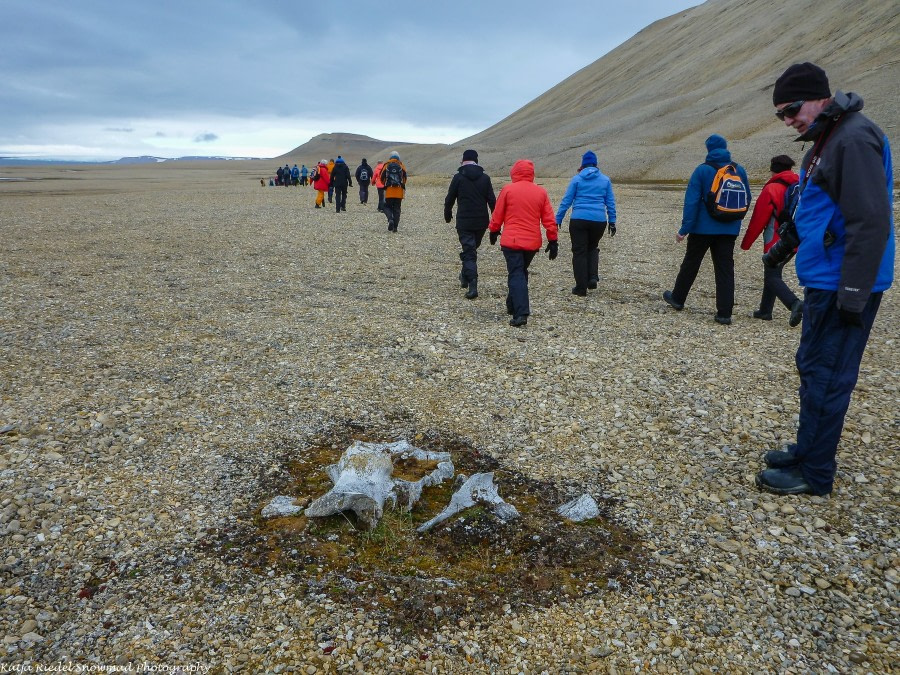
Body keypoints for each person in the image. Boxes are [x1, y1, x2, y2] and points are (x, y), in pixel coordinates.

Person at [755, 62, 894, 496]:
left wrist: (852, 293)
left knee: (828, 375)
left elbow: (870, 221)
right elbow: (815, 207)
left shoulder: (851, 139)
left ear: (821, 97)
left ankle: (815, 474)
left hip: (842, 283)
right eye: (781, 113)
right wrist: (786, 243)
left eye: (792, 108)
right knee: (814, 368)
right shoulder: (824, 141)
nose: (788, 119)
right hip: (825, 278)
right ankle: (806, 450)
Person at [662, 134, 751, 324]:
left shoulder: (702, 171)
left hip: (702, 229)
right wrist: (734, 222)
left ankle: (678, 299)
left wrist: (684, 229)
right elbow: (747, 199)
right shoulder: (738, 170)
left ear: (708, 149)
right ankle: (724, 313)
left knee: (691, 263)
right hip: (729, 229)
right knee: (725, 269)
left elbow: (692, 202)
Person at [488, 159, 558, 327]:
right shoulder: (540, 192)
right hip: (532, 243)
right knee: (520, 271)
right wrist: (553, 239)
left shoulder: (508, 190)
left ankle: (521, 313)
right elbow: (549, 218)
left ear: (514, 172)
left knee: (516, 273)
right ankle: (512, 304)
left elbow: (498, 213)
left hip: (511, 241)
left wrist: (493, 230)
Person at [740, 155, 803, 325]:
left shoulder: (772, 188)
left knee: (771, 274)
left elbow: (759, 219)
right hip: (797, 238)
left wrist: (746, 243)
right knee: (774, 271)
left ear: (773, 169)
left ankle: (794, 303)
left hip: (776, 238)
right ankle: (765, 310)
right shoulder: (800, 185)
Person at [555, 150, 617, 295]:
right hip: (599, 220)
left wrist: (558, 218)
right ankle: (592, 277)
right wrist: (612, 221)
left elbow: (567, 201)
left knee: (579, 252)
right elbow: (610, 202)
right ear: (596, 164)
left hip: (579, 219)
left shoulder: (577, 179)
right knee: (592, 246)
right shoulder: (605, 180)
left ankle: (581, 287)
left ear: (582, 165)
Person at [444, 149, 496, 299]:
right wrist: (495, 221)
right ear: (477, 161)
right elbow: (492, 201)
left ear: (463, 160)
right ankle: (465, 275)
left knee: (469, 252)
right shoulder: (485, 178)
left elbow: (450, 198)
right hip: (481, 222)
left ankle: (472, 284)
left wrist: (447, 213)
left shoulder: (458, 177)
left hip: (464, 221)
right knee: (470, 250)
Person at [379, 151, 407, 233]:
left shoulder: (387, 165)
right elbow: (405, 179)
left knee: (386, 207)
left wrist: (386, 184)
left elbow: (381, 178)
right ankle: (395, 227)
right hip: (399, 192)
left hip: (389, 191)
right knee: (397, 209)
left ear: (390, 157)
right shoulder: (401, 165)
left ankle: (390, 219)